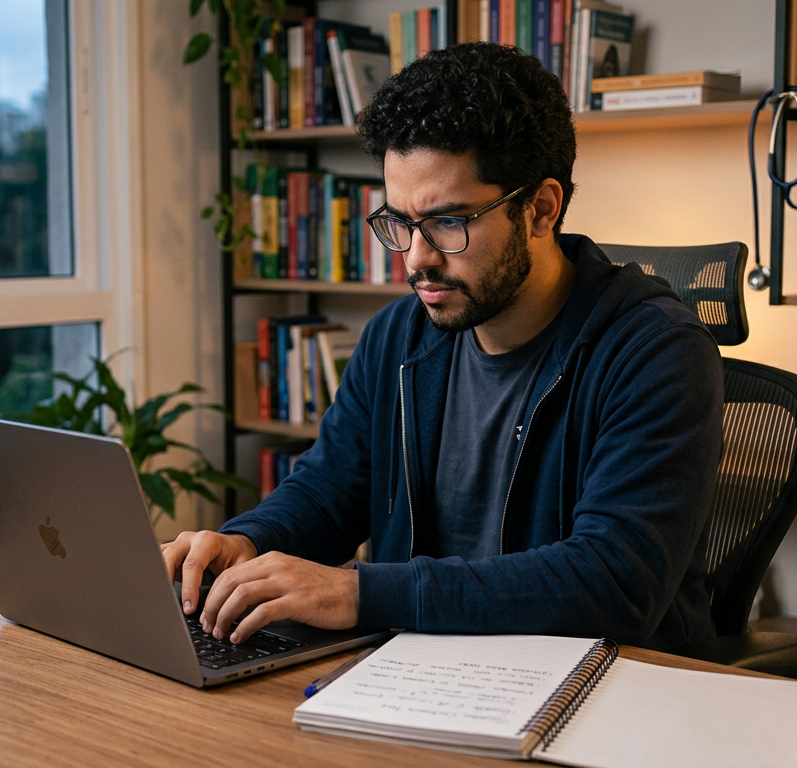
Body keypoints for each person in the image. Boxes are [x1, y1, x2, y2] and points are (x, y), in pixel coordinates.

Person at [161, 42, 724, 650]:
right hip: (423, 674)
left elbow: (615, 583)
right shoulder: (397, 337)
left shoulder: (657, 353)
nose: (416, 258)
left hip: (603, 688)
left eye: (448, 222)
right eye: (399, 222)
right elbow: (330, 492)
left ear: (540, 208)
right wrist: (246, 541)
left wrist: (358, 593)